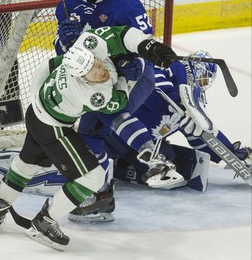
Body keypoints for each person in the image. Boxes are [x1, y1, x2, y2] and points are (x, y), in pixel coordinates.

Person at [0, 26, 177, 250]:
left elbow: (119, 35)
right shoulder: (95, 95)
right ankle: (45, 221)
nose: (98, 69)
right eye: (92, 73)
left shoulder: (82, 49)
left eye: (95, 63)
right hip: (53, 128)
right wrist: (126, 75)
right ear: (81, 78)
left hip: (36, 113)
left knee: (26, 164)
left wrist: (147, 46)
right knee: (92, 178)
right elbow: (120, 101)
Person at [54, 0, 159, 222]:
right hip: (98, 77)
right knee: (89, 130)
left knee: (105, 114)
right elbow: (64, 51)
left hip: (133, 73)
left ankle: (153, 157)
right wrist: (65, 41)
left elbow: (144, 43)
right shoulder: (68, 5)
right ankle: (102, 195)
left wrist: (129, 60)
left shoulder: (127, 5)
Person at [105, 51, 252, 190]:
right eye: (204, 76)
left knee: (178, 170)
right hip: (113, 135)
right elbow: (153, 90)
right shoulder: (174, 68)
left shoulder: (190, 101)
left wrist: (229, 153)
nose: (204, 82)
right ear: (195, 68)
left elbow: (198, 136)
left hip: (146, 148)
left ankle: (124, 164)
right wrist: (177, 101)